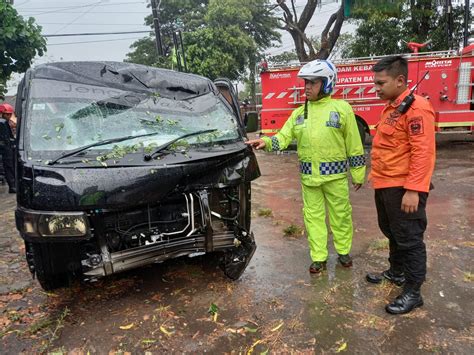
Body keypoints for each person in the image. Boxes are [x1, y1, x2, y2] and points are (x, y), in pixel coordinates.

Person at [246, 59, 366, 274]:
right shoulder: (299, 113)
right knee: (313, 218)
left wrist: (358, 173)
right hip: (309, 179)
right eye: (305, 83)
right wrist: (266, 142)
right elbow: (283, 137)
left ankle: (343, 252)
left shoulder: (342, 109)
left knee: (341, 216)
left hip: (336, 178)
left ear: (327, 83)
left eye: (312, 82)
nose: (306, 87)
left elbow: (354, 144)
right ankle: (318, 257)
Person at [365, 56, 436, 315]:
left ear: (400, 80)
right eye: (375, 83)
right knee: (391, 231)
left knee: (409, 239)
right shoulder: (393, 107)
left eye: (381, 83)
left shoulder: (416, 108)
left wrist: (414, 189)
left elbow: (423, 152)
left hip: (403, 187)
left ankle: (413, 292)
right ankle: (396, 272)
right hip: (385, 184)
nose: (376, 88)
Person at [0, 103, 17, 193]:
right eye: (8, 114)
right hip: (6, 149)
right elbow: (7, 137)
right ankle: (13, 186)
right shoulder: (3, 122)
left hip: (5, 148)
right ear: (2, 113)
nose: (10, 116)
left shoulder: (4, 122)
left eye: (10, 114)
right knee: (9, 167)